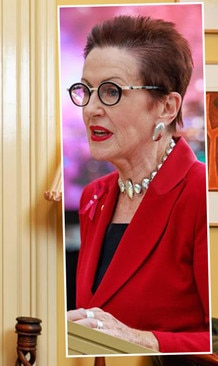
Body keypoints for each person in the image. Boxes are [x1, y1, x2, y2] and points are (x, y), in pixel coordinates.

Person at [65, 15, 210, 354]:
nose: (91, 109)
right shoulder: (94, 197)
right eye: (86, 91)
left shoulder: (201, 195)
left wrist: (140, 340)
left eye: (111, 91)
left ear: (166, 106)